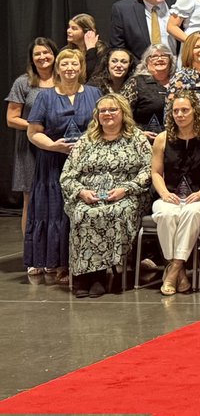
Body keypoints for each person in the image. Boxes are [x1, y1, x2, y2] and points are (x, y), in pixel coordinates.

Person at [59, 94, 151, 298]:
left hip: (124, 194)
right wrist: (81, 192)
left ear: (123, 112)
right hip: (88, 194)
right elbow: (67, 175)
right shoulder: (87, 139)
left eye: (113, 110)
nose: (107, 114)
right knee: (83, 213)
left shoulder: (136, 138)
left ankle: (114, 270)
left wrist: (126, 189)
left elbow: (148, 170)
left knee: (117, 211)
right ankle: (91, 275)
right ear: (97, 115)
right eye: (103, 111)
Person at [24, 48, 100, 285]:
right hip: (53, 162)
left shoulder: (94, 92)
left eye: (74, 64)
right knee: (55, 211)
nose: (69, 68)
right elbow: (33, 132)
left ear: (80, 67)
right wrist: (54, 146)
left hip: (86, 164)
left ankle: (83, 262)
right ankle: (58, 263)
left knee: (80, 212)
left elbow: (103, 126)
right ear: (58, 68)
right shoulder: (45, 97)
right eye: (64, 64)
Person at [149, 91, 200, 295]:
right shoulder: (162, 139)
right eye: (176, 111)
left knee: (190, 213)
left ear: (195, 111)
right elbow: (156, 173)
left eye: (185, 110)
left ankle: (173, 270)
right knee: (166, 214)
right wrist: (163, 193)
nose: (180, 114)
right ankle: (180, 273)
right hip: (169, 194)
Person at [7, 38, 58, 263]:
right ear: (32, 58)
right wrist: (36, 127)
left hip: (58, 145)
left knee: (59, 196)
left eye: (46, 53)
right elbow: (11, 119)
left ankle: (57, 252)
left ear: (55, 55)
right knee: (30, 198)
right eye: (37, 54)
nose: (42, 57)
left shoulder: (63, 79)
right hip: (29, 148)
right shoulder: (23, 82)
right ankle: (32, 253)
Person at [110, 0, 176, 59]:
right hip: (141, 68)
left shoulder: (177, 3)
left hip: (177, 66)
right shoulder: (123, 10)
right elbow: (118, 48)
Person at [164, 31, 200, 128]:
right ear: (189, 51)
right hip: (193, 134)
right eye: (197, 47)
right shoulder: (180, 78)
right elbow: (169, 113)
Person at [128, 44, 175, 135]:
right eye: (154, 56)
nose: (160, 59)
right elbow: (122, 112)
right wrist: (139, 133)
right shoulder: (136, 82)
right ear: (146, 62)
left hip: (175, 139)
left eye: (164, 55)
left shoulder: (178, 81)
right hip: (144, 140)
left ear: (171, 60)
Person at [64, 13, 104, 79]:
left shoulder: (102, 50)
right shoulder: (66, 50)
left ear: (87, 32)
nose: (68, 31)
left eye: (74, 28)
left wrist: (91, 49)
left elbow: (93, 74)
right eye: (69, 27)